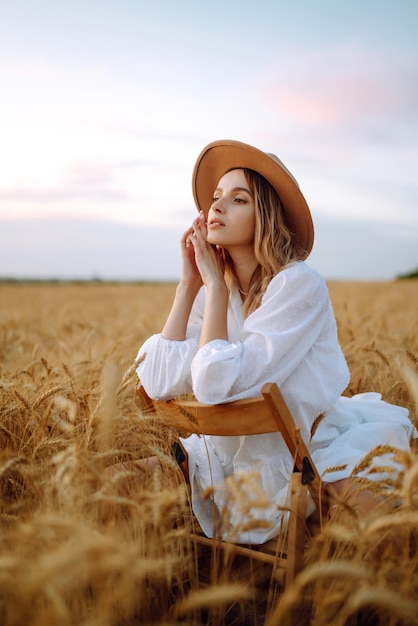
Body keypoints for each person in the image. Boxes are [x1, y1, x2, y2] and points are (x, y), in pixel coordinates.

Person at [134, 139, 416, 544]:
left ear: (264, 214)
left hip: (305, 451)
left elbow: (214, 385)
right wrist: (188, 284)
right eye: (215, 198)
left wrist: (212, 286)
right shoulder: (218, 291)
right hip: (222, 457)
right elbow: (158, 382)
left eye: (237, 199)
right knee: (114, 485)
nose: (216, 207)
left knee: (375, 530)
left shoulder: (299, 285)